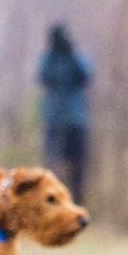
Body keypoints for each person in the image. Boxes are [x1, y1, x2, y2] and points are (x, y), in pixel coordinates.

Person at [37, 24, 93, 205]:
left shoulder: (75, 56)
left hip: (76, 121)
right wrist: (55, 54)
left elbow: (87, 75)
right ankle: (50, 206)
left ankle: (77, 206)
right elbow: (42, 77)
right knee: (51, 166)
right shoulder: (49, 58)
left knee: (79, 168)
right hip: (54, 120)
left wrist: (72, 53)